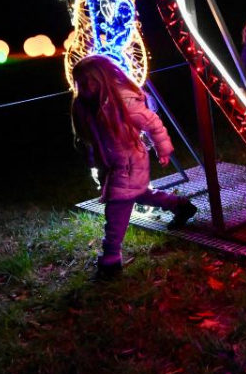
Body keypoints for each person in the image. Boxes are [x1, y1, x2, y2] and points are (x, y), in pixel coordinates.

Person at [71, 56, 198, 281]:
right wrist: (94, 158)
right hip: (113, 163)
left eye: (89, 81)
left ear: (102, 79)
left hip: (128, 162)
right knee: (139, 194)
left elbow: (153, 123)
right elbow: (94, 138)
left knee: (117, 208)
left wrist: (163, 149)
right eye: (81, 82)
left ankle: (110, 259)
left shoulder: (123, 102)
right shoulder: (86, 105)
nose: (85, 87)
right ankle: (180, 206)